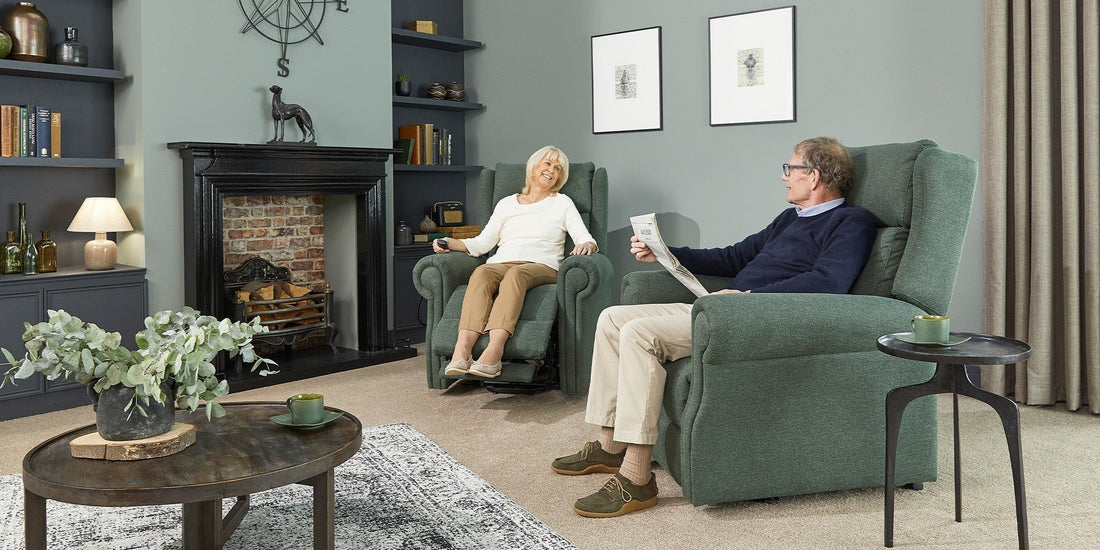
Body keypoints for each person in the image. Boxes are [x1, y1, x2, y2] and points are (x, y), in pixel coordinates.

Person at [551, 137, 877, 518]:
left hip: (754, 316)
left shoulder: (852, 222)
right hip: (726, 308)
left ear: (815, 176)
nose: (784, 177)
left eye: (790, 169)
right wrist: (665, 252)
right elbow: (734, 256)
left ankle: (636, 478)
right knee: (612, 319)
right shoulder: (790, 219)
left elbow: (829, 282)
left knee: (639, 334)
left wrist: (747, 296)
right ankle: (610, 446)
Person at [433, 145, 598, 379]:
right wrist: (449, 242)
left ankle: (494, 352)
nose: (553, 170)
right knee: (481, 273)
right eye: (548, 164)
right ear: (533, 167)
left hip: (542, 266)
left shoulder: (562, 203)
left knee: (516, 275)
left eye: (558, 168)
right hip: (502, 262)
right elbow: (482, 244)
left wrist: (586, 245)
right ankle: (462, 351)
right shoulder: (506, 204)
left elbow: (586, 239)